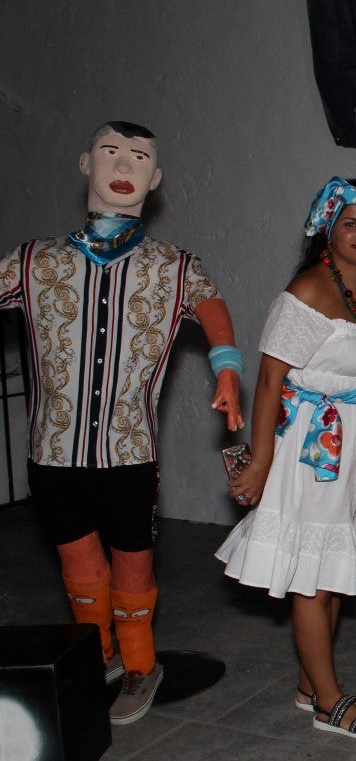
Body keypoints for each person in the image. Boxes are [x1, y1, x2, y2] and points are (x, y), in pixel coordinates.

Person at [0, 121, 244, 725]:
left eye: (139, 157)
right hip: (53, 450)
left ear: (154, 180)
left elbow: (211, 305)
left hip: (129, 450)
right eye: (111, 151)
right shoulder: (34, 261)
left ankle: (139, 663)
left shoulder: (173, 266)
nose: (124, 165)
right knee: (79, 564)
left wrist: (227, 368)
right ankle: (97, 654)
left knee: (133, 560)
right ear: (86, 163)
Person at [216, 176, 356, 739]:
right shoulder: (306, 292)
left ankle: (307, 683)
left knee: (337, 565)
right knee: (312, 577)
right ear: (328, 229)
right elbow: (270, 382)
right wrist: (263, 458)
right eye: (351, 223)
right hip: (312, 448)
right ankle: (329, 701)